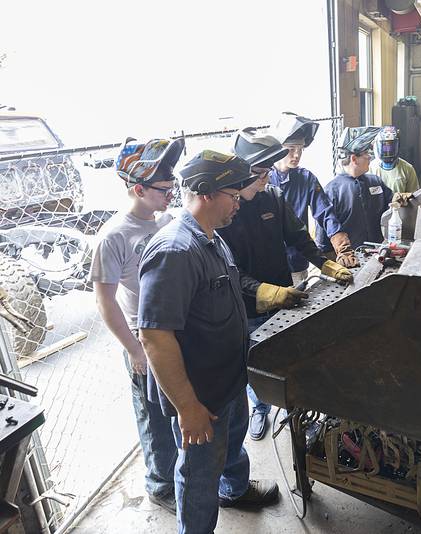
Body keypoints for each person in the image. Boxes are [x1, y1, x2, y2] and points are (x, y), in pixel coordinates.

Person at [138, 150, 279, 534]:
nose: (238, 203)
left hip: (228, 381)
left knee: (230, 450)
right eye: (233, 195)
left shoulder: (212, 239)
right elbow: (154, 335)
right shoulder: (175, 251)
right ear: (204, 193)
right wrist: (188, 407)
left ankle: (234, 490)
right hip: (201, 397)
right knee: (199, 475)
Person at [220, 128, 353, 441]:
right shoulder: (225, 211)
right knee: (256, 360)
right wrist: (264, 292)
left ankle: (295, 408)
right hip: (249, 303)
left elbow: (298, 237)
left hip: (284, 292)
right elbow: (229, 270)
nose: (266, 176)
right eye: (259, 171)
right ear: (239, 172)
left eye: (268, 170)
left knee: (288, 355)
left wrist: (325, 263)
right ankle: (260, 409)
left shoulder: (273, 197)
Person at [90, 137, 182, 513]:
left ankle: (179, 472)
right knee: (154, 418)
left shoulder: (166, 221)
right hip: (146, 343)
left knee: (178, 408)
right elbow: (105, 301)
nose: (171, 193)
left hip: (176, 331)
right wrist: (134, 350)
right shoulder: (114, 237)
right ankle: (161, 486)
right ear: (138, 188)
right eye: (163, 189)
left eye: (172, 184)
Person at [269, 113, 358, 284]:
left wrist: (342, 246)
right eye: (291, 149)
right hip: (268, 264)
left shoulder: (306, 178)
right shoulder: (262, 181)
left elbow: (325, 213)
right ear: (278, 147)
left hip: (297, 260)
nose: (297, 155)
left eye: (301, 149)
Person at [317, 127, 394, 252]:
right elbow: (323, 237)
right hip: (351, 259)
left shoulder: (376, 181)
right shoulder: (332, 191)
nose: (370, 157)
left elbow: (393, 206)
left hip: (379, 253)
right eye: (366, 153)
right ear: (354, 159)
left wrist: (401, 201)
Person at [368, 125, 420, 194]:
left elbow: (414, 196)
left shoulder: (408, 169)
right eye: (385, 147)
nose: (388, 151)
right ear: (377, 146)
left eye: (391, 147)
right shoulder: (370, 168)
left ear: (397, 146)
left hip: (400, 205)